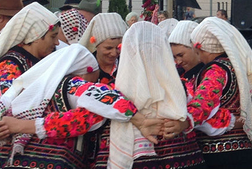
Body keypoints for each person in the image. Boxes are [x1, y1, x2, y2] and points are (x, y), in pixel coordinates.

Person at [0, 44, 153, 168]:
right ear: (83, 72)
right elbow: (108, 98)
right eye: (94, 76)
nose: (95, 82)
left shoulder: (26, 87)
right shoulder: (73, 85)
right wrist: (139, 119)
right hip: (53, 161)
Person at [184, 17, 252, 169]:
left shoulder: (216, 71)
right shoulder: (237, 67)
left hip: (221, 152)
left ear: (203, 48)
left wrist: (180, 121)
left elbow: (202, 106)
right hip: (245, 146)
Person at [108, 22, 193, 168]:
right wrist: (186, 122)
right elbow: (199, 110)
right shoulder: (180, 88)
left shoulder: (115, 95)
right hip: (181, 158)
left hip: (137, 156)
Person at [0, 2, 60, 94]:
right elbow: (5, 104)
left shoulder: (47, 59)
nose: (57, 42)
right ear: (36, 36)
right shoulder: (11, 65)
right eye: (53, 36)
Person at [79, 13, 128, 85]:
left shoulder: (127, 65)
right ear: (96, 45)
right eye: (108, 48)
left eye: (119, 47)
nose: (114, 53)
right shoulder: (85, 68)